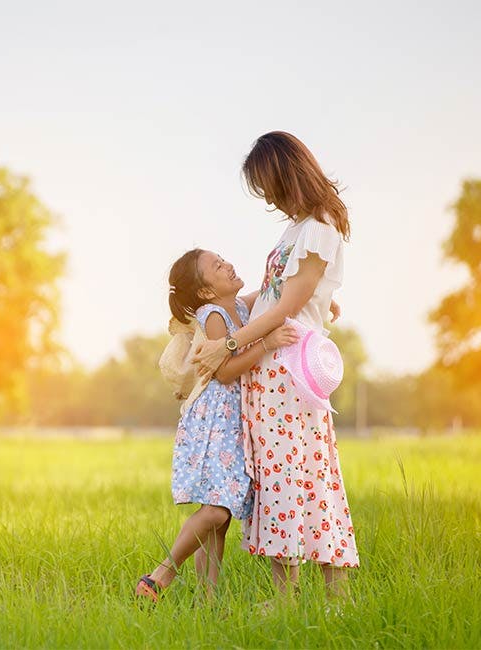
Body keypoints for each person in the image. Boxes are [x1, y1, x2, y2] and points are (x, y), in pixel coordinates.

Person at [192, 131, 360, 606]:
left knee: (297, 475)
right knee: (286, 474)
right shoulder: (299, 226)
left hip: (286, 366)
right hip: (270, 367)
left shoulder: (319, 225)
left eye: (268, 186)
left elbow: (289, 303)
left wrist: (230, 342)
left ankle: (309, 598)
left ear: (287, 174)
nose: (268, 198)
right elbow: (281, 293)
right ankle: (306, 597)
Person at [135, 248, 298, 603]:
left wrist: (320, 300)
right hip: (215, 423)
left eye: (223, 259)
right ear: (206, 292)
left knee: (220, 521)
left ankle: (207, 601)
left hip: (231, 423)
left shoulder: (239, 308)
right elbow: (224, 373)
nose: (228, 264)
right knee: (217, 509)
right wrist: (267, 343)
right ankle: (162, 573)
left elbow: (276, 297)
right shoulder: (213, 316)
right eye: (218, 266)